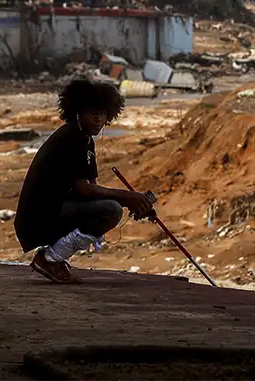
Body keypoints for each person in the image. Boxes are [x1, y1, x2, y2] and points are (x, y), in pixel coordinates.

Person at [14, 78, 154, 283]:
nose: (99, 120)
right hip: (40, 215)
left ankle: (54, 258)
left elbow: (91, 188)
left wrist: (133, 201)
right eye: (94, 114)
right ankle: (50, 259)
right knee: (111, 210)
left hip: (55, 208)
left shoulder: (84, 139)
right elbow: (85, 191)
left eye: (103, 114)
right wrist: (127, 196)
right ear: (79, 112)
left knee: (111, 206)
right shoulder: (72, 137)